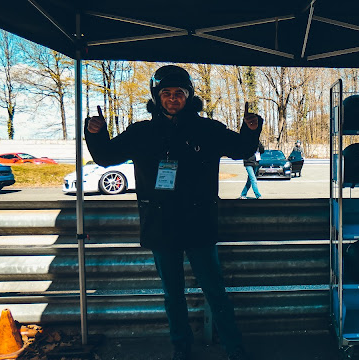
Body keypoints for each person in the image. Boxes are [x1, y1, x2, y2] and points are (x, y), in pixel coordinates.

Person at [85, 65, 261, 360]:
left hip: (199, 223)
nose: (172, 98)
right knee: (173, 296)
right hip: (160, 224)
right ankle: (181, 347)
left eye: (179, 93)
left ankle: (234, 347)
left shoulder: (207, 129)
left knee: (215, 291)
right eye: (166, 93)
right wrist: (97, 134)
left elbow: (241, 148)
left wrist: (251, 128)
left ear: (189, 96)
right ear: (156, 97)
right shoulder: (141, 132)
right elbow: (105, 156)